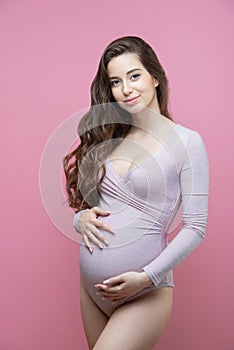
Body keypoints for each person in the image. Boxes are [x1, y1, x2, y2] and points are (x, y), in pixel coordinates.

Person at [63, 36, 209, 350]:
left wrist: (146, 277)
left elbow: (196, 227)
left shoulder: (186, 142)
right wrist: (81, 220)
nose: (126, 88)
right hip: (91, 288)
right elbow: (97, 208)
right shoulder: (111, 137)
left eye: (134, 76)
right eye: (116, 81)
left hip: (145, 291)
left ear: (155, 77)